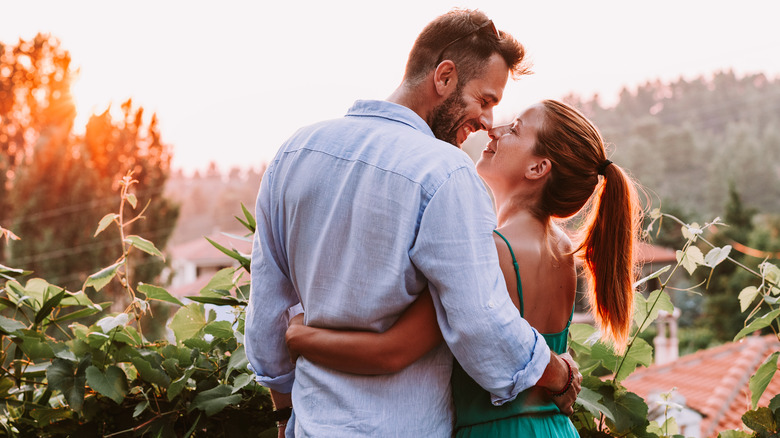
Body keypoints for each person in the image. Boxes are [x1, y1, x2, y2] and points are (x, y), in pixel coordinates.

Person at [245, 9, 581, 438]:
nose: (487, 122)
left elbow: (267, 317)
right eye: (485, 100)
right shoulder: (446, 174)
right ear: (444, 77)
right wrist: (558, 375)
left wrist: (283, 416)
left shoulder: (294, 153)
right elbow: (481, 324)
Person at [285, 100, 643, 437]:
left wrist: (299, 335)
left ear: (538, 168)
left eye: (515, 129)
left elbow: (392, 351)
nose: (495, 130)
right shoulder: (562, 248)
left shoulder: (489, 250)